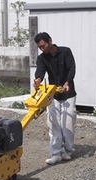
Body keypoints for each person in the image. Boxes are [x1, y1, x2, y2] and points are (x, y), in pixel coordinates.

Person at [33, 32, 77, 165]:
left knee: (67, 123)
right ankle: (56, 153)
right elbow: (40, 71)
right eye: (40, 47)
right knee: (53, 122)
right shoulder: (42, 58)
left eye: (43, 46)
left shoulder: (65, 52)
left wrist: (67, 82)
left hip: (68, 93)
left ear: (50, 41)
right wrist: (38, 80)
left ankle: (67, 151)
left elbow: (72, 68)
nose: (42, 49)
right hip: (52, 94)